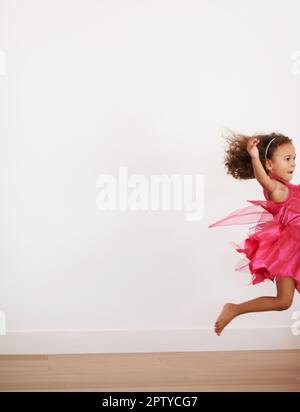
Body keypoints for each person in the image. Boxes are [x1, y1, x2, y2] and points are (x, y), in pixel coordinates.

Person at [208, 131, 299, 336]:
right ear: (269, 164)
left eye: (294, 158)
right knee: (283, 301)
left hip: (292, 253)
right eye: (287, 159)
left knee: (283, 302)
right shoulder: (276, 189)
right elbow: (263, 181)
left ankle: (234, 308)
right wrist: (255, 158)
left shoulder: (291, 188)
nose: (293, 163)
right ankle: (234, 309)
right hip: (289, 254)